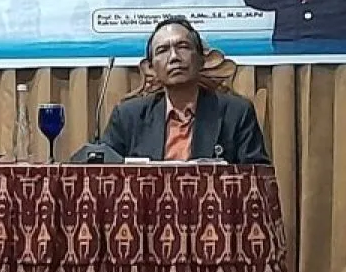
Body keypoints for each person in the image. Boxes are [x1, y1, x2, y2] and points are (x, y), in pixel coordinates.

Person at [100, 16, 270, 164]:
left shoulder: (236, 114)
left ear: (201, 60)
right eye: (162, 50)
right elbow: (102, 172)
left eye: (182, 46)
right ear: (152, 68)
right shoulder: (128, 117)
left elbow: (257, 176)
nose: (174, 57)